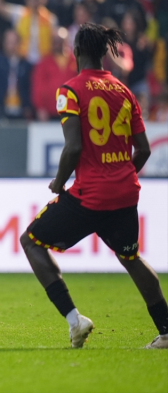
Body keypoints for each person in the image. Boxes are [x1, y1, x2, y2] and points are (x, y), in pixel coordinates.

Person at [19, 22, 168, 349]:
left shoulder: (70, 91)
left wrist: (59, 183)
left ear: (76, 52)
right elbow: (143, 149)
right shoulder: (125, 91)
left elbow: (73, 147)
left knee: (30, 241)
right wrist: (123, 174)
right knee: (131, 258)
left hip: (90, 196)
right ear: (104, 53)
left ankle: (75, 321)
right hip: (126, 192)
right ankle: (167, 331)